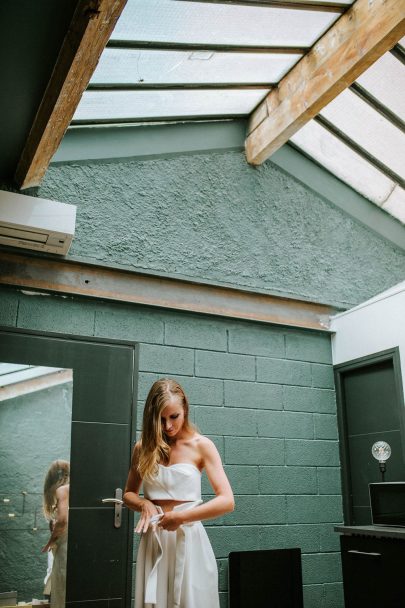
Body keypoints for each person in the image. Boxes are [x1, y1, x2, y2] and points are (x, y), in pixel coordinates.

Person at [124, 378, 235, 608]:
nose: (167, 426)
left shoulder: (201, 445)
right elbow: (128, 494)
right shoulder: (143, 447)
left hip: (189, 539)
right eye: (160, 419)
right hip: (154, 541)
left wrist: (181, 517)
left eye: (174, 416)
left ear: (185, 408)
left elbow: (227, 501)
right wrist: (143, 504)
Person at [42, 459, 70, 608]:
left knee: (62, 591)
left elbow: (62, 521)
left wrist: (50, 542)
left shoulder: (62, 491)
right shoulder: (76, 489)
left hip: (64, 548)